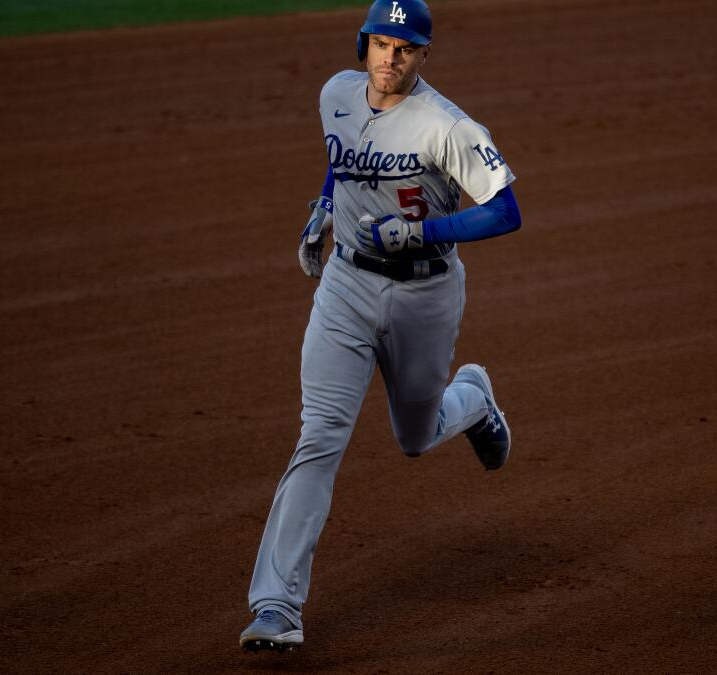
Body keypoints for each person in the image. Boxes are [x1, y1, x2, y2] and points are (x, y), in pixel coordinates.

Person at [239, 0, 521, 652]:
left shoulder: (447, 124)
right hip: (346, 286)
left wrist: (424, 230)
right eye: (382, 45)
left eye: (407, 49)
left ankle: (474, 397)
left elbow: (506, 210)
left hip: (424, 294)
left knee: (416, 436)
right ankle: (277, 605)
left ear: (423, 56)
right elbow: (347, 157)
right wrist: (322, 209)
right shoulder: (336, 93)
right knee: (320, 435)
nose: (391, 59)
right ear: (364, 44)